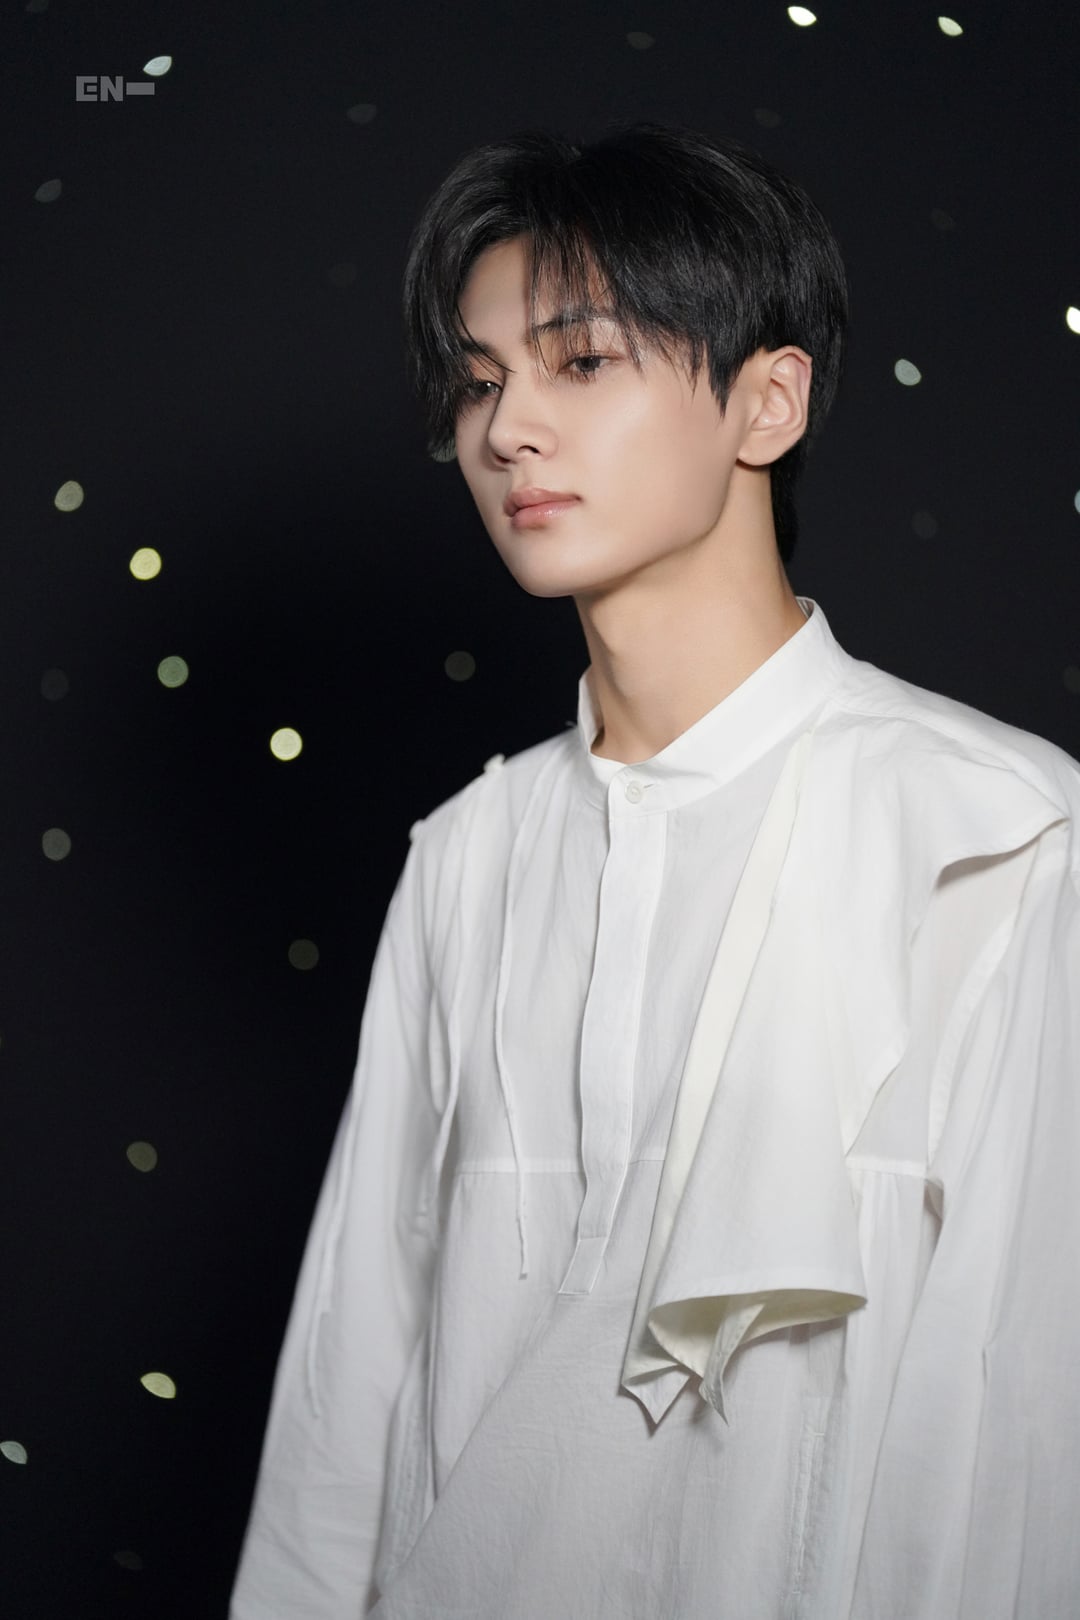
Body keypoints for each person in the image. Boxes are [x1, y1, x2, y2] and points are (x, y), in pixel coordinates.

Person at [230, 120, 1080, 1618]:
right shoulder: (468, 858)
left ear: (767, 401)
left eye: (579, 361)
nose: (508, 430)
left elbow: (1019, 1410)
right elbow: (353, 1378)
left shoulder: (995, 831)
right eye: (479, 382)